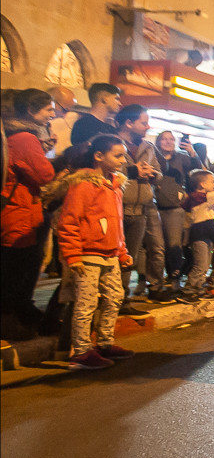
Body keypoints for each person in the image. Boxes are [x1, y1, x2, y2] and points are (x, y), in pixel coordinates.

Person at [58, 134, 136, 370]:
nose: (123, 160)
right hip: (87, 255)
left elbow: (117, 224)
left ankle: (104, 342)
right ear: (99, 156)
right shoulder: (83, 185)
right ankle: (81, 351)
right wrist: (72, 255)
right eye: (118, 155)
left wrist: (122, 251)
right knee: (86, 303)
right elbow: (69, 222)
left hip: (111, 254)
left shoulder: (115, 187)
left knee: (114, 298)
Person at [1, 89, 57, 340]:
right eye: (48, 109)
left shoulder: (15, 135)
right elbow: (44, 174)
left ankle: (19, 314)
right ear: (31, 111)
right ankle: (11, 322)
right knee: (16, 270)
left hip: (18, 210)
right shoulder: (25, 138)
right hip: (19, 212)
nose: (52, 114)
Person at [114, 105, 168, 306]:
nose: (148, 127)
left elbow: (159, 172)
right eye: (143, 123)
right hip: (119, 207)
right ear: (129, 123)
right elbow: (106, 170)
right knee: (122, 255)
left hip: (145, 206)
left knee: (142, 253)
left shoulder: (148, 146)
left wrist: (153, 174)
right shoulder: (112, 143)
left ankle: (153, 288)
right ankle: (118, 299)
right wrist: (133, 171)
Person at [154, 131, 200, 291]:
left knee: (174, 244)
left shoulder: (182, 158)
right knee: (156, 246)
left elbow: (198, 173)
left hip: (175, 208)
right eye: (164, 139)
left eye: (171, 139)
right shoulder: (153, 157)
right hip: (154, 205)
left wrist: (192, 152)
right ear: (158, 141)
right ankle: (152, 280)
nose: (168, 142)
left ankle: (174, 277)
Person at [181, 169, 214, 302]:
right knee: (200, 264)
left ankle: (199, 289)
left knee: (205, 265)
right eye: (212, 182)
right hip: (200, 235)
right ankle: (189, 290)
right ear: (202, 184)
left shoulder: (205, 201)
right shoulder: (199, 198)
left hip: (207, 235)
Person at [45, 85, 78, 159]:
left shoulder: (48, 126)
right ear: (51, 103)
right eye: (65, 110)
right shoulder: (34, 126)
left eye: (69, 110)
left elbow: (49, 157)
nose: (65, 115)